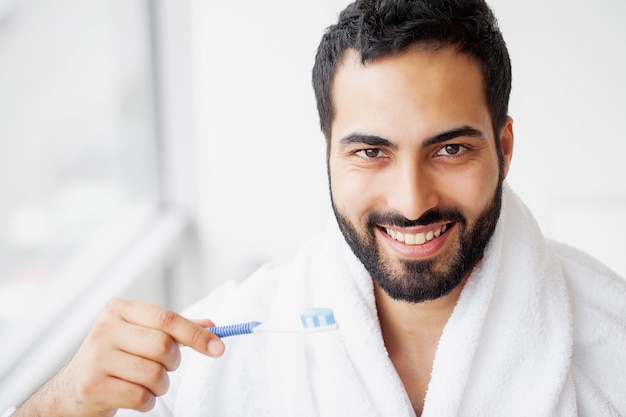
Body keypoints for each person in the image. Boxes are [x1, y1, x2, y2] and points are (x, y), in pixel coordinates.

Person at [10, 0, 626, 416]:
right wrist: (60, 402)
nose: (412, 202)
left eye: (450, 149)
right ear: (328, 155)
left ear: (505, 147)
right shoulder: (215, 356)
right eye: (371, 153)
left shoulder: (609, 338)